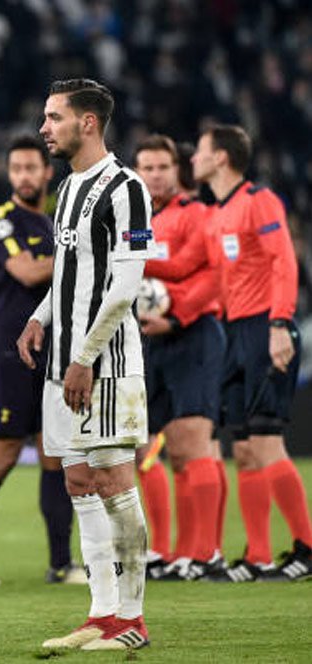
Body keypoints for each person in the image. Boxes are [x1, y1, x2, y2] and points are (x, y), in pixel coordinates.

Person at [19, 79, 151, 650]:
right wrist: (38, 318)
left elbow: (124, 287)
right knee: (77, 480)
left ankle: (134, 620)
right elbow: (69, 276)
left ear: (88, 122)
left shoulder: (127, 188)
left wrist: (84, 357)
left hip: (105, 365)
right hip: (63, 361)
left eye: (53, 117)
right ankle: (102, 612)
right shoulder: (68, 187)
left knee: (115, 482)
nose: (44, 127)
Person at [0, 134, 82, 586]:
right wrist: (80, 251)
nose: (23, 176)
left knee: (53, 455)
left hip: (52, 352)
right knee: (2, 455)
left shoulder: (49, 223)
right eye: (16, 168)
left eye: (31, 168)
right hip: (7, 354)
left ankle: (61, 564)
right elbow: (25, 271)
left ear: (47, 173)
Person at [191, 124, 312, 582]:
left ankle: (307, 546)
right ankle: (259, 554)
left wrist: (281, 322)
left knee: (265, 443)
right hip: (233, 334)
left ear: (221, 157)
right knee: (242, 448)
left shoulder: (259, 201)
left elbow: (284, 259)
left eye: (200, 151)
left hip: (266, 327)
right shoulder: (217, 213)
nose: (194, 160)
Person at [133, 134, 225, 581]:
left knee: (191, 445)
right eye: (146, 167)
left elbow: (211, 273)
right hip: (149, 340)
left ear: (177, 170)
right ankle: (167, 552)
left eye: (162, 167)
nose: (154, 175)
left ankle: (205, 553)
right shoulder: (137, 220)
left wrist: (177, 313)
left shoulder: (197, 214)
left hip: (191, 334)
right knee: (146, 449)